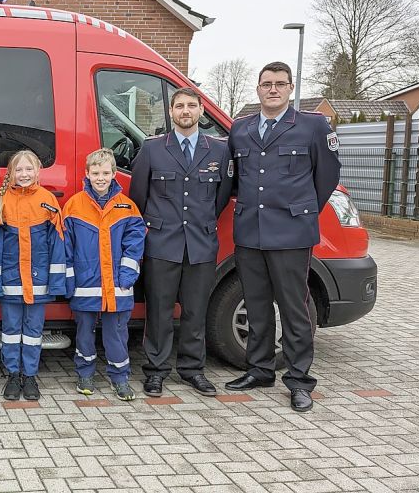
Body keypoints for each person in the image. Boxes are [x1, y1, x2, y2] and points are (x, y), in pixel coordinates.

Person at [225, 61, 341, 412]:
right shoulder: (240, 129)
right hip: (249, 232)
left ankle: (299, 380)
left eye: (279, 83)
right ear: (258, 89)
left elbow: (327, 177)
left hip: (291, 233)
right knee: (257, 304)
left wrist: (299, 210)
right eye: (266, 84)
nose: (272, 89)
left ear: (290, 88)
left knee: (294, 309)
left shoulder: (313, 126)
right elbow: (235, 178)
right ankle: (259, 369)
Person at [128, 88, 234, 398]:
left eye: (191, 105)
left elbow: (221, 196)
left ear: (201, 111)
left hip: (200, 243)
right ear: (171, 112)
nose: (185, 111)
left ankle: (192, 370)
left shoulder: (219, 151)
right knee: (159, 312)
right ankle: (156, 371)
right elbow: (138, 196)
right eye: (179, 106)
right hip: (162, 243)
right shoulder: (152, 150)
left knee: (195, 311)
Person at [63, 148, 146, 401]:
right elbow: (66, 245)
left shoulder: (127, 206)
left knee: (117, 333)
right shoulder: (74, 205)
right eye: (96, 172)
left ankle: (120, 378)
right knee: (84, 332)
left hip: (118, 285)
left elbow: (135, 242)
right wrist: (68, 281)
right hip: (85, 285)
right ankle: (85, 374)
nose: (101, 177)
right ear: (86, 174)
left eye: (106, 172)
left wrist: (127, 276)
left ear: (114, 174)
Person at [0, 150, 66, 401]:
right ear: (11, 173)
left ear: (38, 171)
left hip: (39, 281)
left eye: (28, 169)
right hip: (11, 281)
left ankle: (29, 375)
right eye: (18, 170)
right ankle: (12, 374)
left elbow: (58, 243)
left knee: (33, 331)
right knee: (10, 330)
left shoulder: (48, 200)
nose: (24, 174)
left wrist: (56, 282)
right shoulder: (3, 201)